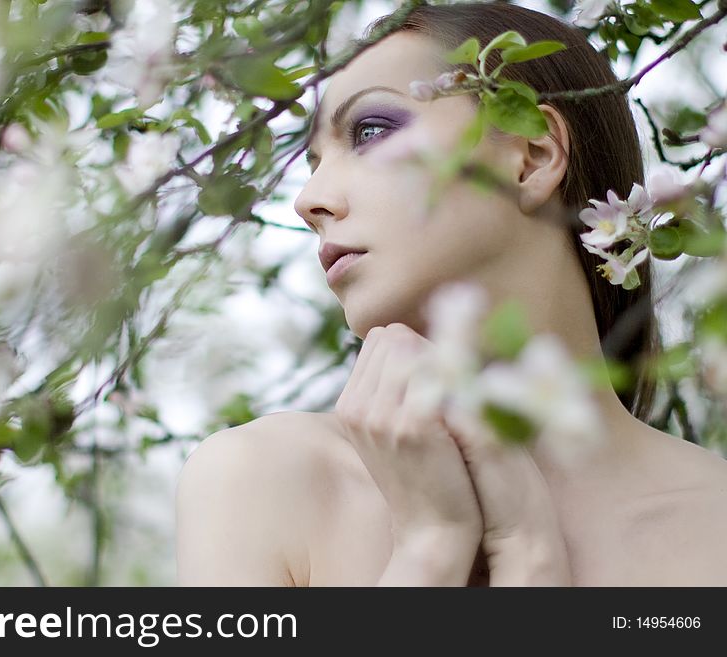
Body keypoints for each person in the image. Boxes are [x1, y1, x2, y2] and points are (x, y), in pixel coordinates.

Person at [175, 1, 727, 586]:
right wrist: (430, 547)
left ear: (530, 156)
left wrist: (529, 553)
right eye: (312, 161)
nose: (308, 199)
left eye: (369, 131)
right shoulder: (265, 481)